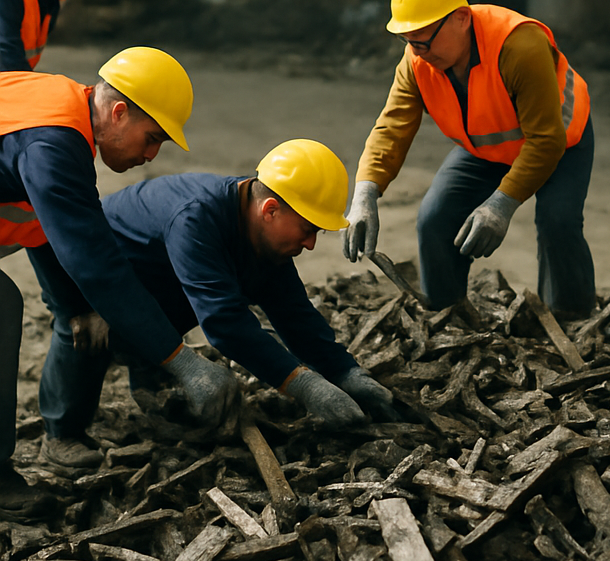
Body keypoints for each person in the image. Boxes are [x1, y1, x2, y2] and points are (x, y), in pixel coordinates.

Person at [34, 139, 396, 461]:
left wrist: (344, 371)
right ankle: (62, 432)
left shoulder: (258, 230)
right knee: (86, 329)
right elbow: (224, 322)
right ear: (270, 209)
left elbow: (293, 312)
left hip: (148, 275)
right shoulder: (197, 218)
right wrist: (305, 386)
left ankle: (147, 374)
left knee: (189, 296)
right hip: (78, 270)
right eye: (308, 229)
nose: (311, 244)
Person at [0, 46, 239, 521]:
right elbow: (96, 263)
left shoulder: (57, 106)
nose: (151, 156)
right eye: (152, 139)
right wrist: (183, 363)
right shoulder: (52, 142)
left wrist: (73, 306)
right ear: (119, 112)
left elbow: (45, 227)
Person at [342, 0, 595, 318]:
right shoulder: (417, 60)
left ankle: (571, 319)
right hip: (487, 149)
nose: (416, 51)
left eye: (423, 40)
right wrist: (365, 194)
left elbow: (545, 140)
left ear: (461, 17)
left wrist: (500, 205)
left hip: (559, 142)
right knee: (435, 218)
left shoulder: (519, 46)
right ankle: (447, 316)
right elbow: (392, 127)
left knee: (558, 222)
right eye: (407, 40)